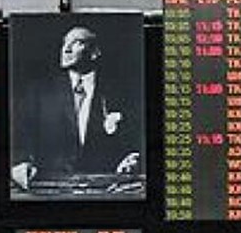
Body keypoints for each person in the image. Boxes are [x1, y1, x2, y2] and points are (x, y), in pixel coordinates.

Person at [10, 25, 142, 193]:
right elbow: (19, 134)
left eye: (76, 42)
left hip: (104, 191)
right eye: (65, 43)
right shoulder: (40, 92)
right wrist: (19, 164)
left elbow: (136, 139)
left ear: (95, 52)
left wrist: (134, 158)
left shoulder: (119, 92)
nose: (66, 48)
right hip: (48, 190)